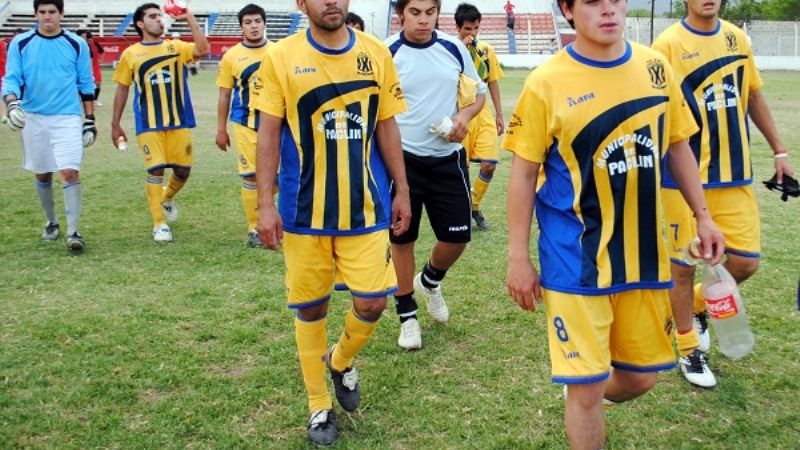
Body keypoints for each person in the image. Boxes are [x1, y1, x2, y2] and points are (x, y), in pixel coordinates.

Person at [504, 0, 725, 448]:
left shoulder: (655, 68)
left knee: (641, 379)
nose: (608, 10)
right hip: (574, 259)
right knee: (587, 390)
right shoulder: (546, 82)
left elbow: (677, 145)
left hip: (640, 258)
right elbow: (524, 174)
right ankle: (582, 387)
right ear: (567, 10)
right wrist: (517, 256)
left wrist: (703, 216)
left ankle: (581, 386)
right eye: (591, 1)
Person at [251, 0, 411, 445]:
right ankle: (318, 405)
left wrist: (402, 187)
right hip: (305, 212)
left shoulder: (376, 53)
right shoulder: (280, 57)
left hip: (365, 208)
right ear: (301, 4)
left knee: (374, 303)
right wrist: (266, 205)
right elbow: (267, 132)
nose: (332, 2)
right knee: (312, 307)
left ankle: (339, 361)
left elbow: (387, 125)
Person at [653, 0, 795, 388]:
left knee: (746, 262)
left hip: (734, 176)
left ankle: (698, 306)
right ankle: (688, 350)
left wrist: (780, 151)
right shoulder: (666, 45)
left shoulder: (737, 38)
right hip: (682, 180)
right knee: (682, 268)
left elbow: (753, 96)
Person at [386, 0, 486, 350]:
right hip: (402, 163)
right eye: (416, 12)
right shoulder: (388, 52)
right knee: (402, 239)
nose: (424, 19)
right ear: (401, 14)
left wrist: (463, 117)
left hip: (448, 159)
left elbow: (479, 97)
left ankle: (429, 280)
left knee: (458, 238)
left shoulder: (453, 47)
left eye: (430, 12)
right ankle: (407, 315)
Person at [2, 0, 96, 253]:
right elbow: (11, 79)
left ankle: (73, 231)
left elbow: (86, 83)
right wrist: (12, 105)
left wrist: (89, 121)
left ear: (61, 14)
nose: (47, 17)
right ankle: (51, 221)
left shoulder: (76, 44)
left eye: (52, 12)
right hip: (33, 117)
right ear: (35, 14)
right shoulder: (21, 44)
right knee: (42, 173)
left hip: (66, 117)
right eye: (42, 12)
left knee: (69, 171)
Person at [111, 3, 209, 242]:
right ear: (140, 24)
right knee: (155, 170)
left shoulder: (175, 47)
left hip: (179, 120)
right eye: (152, 17)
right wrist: (115, 123)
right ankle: (160, 224)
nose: (159, 20)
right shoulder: (131, 54)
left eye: (160, 16)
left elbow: (203, 49)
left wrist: (189, 18)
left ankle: (166, 199)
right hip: (148, 123)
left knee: (182, 171)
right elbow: (122, 89)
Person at [215, 4, 269, 247]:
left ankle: (273, 215)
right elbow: (225, 94)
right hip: (244, 123)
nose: (254, 26)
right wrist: (220, 129)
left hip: (275, 124)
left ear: (264, 23)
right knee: (250, 177)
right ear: (241, 27)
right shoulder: (232, 56)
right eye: (248, 22)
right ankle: (254, 228)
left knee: (279, 177)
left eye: (257, 21)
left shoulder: (279, 52)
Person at [454, 3, 504, 231]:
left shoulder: (485, 49)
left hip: (482, 111)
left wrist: (499, 114)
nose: (472, 33)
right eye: (467, 29)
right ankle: (462, 209)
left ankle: (474, 205)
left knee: (489, 164)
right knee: (459, 167)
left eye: (475, 28)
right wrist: (461, 49)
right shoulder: (449, 48)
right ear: (458, 27)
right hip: (459, 110)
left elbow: (492, 81)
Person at [77, 30, 104, 106]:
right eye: (84, 37)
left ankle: (95, 99)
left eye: (86, 37)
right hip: (80, 69)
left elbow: (92, 57)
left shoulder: (90, 46)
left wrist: (100, 61)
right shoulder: (75, 45)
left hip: (92, 67)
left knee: (96, 83)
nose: (86, 39)